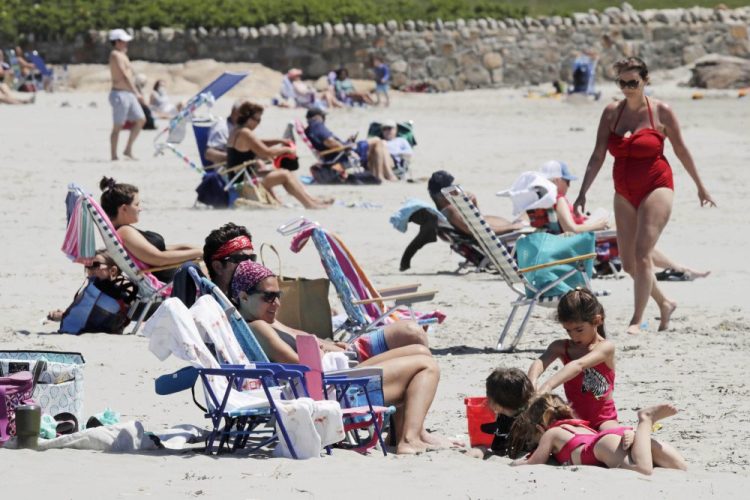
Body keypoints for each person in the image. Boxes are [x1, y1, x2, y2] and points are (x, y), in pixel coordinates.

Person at [230, 260, 449, 454]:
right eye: (269, 297)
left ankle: (406, 433)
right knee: (426, 366)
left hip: (332, 375)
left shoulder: (262, 320)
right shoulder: (258, 326)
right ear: (243, 296)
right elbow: (298, 364)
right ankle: (409, 439)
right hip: (333, 384)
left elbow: (301, 340)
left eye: (278, 295)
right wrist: (326, 352)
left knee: (420, 352)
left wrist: (328, 346)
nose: (276, 303)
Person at [574, 57, 716, 334]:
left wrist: (700, 185)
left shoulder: (661, 111)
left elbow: (681, 150)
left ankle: (636, 320)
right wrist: (582, 192)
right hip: (623, 190)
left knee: (642, 254)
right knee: (628, 264)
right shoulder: (612, 113)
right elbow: (597, 155)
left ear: (645, 81)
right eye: (622, 83)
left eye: (633, 83)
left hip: (656, 185)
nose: (627, 88)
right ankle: (665, 303)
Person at [540, 160, 710, 280]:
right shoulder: (559, 198)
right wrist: (597, 225)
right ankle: (677, 268)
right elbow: (571, 230)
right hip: (586, 242)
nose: (569, 185)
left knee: (632, 233)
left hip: (580, 238)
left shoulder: (542, 201)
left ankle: (675, 268)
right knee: (635, 239)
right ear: (556, 180)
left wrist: (586, 219)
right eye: (567, 181)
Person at [509, 394, 687, 474]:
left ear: (540, 428)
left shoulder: (551, 433)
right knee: (679, 467)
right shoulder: (582, 426)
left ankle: (645, 420)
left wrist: (514, 464)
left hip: (601, 446)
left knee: (642, 470)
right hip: (619, 434)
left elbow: (535, 462)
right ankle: (640, 433)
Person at [227, 101, 332, 209]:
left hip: (240, 177)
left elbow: (258, 142)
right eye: (257, 120)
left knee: (286, 173)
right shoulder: (246, 133)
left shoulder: (237, 130)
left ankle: (311, 201)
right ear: (248, 118)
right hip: (243, 183)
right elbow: (266, 153)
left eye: (260, 120)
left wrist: (279, 140)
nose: (258, 123)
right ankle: (309, 204)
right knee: (285, 175)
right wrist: (286, 150)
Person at [99, 176, 203, 282]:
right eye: (137, 204)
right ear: (124, 208)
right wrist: (199, 252)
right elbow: (159, 259)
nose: (140, 209)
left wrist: (189, 247)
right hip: (171, 281)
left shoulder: (123, 230)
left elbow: (157, 250)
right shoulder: (125, 232)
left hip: (174, 271)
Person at [305, 107, 396, 181]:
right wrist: (345, 146)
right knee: (377, 141)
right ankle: (384, 175)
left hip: (339, 152)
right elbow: (329, 142)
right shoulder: (317, 125)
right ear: (317, 117)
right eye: (322, 116)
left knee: (378, 144)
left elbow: (328, 142)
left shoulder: (311, 129)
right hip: (343, 153)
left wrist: (346, 142)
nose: (324, 118)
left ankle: (381, 175)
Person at [428, 170, 525, 236]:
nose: (456, 190)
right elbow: (481, 233)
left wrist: (473, 203)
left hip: (500, 230)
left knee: (528, 216)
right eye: (452, 188)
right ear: (443, 195)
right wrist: (512, 227)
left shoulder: (446, 211)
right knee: (528, 215)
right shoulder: (451, 210)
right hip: (506, 234)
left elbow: (478, 224)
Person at [47, 249, 124, 322]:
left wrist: (64, 316)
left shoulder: (114, 293)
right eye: (88, 265)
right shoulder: (98, 290)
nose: (90, 269)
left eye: (95, 265)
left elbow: (95, 318)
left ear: (113, 271)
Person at [108, 29, 146, 160]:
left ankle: (128, 149)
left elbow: (130, 74)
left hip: (128, 93)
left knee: (141, 119)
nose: (126, 43)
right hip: (119, 94)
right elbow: (124, 74)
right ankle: (114, 155)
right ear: (117, 42)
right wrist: (136, 93)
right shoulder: (115, 55)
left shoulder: (123, 54)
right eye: (123, 41)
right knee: (117, 126)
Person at [203, 222, 257, 295]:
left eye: (252, 258)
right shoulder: (207, 304)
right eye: (241, 259)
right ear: (218, 267)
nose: (250, 265)